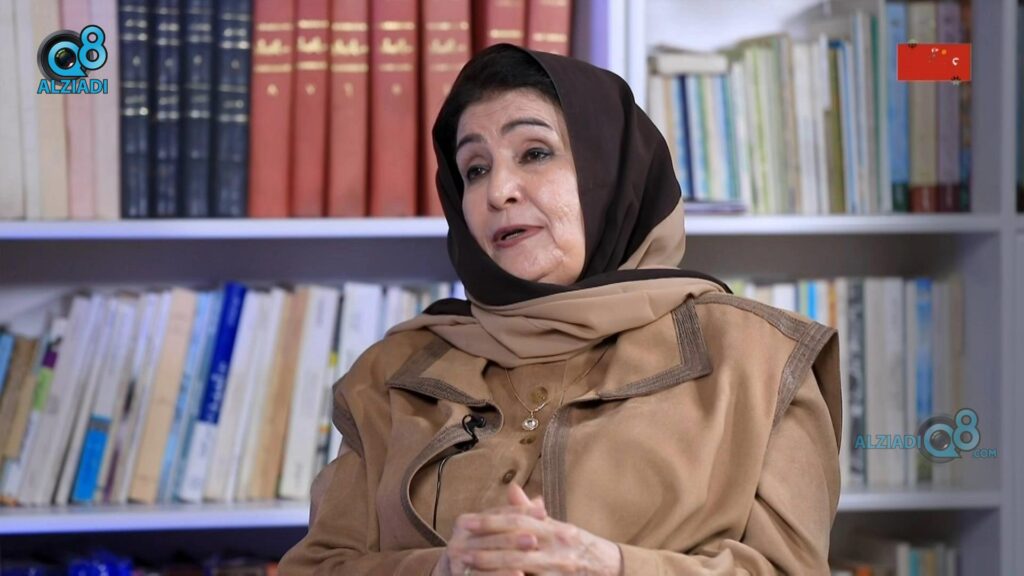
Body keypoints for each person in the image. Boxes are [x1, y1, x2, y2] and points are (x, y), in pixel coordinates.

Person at [280, 43, 842, 575]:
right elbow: (317, 567)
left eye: (535, 153)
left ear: (611, 173)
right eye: (475, 169)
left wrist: (609, 566)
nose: (498, 191)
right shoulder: (391, 376)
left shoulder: (761, 361)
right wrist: (442, 569)